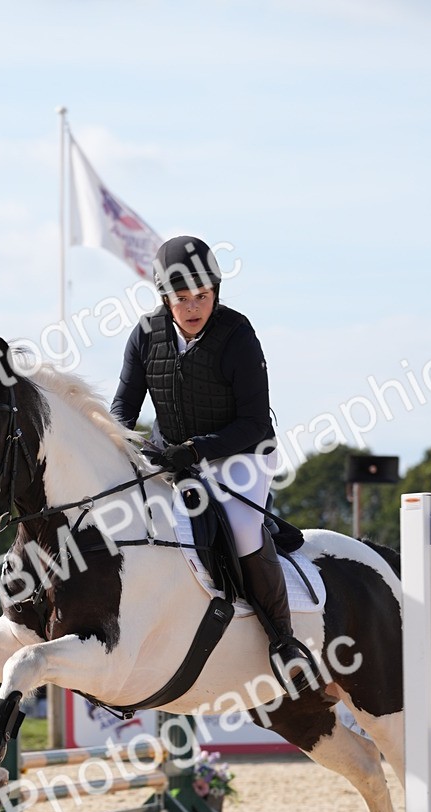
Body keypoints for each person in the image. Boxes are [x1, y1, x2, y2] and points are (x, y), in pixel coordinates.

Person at [111, 235, 320, 692]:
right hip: (175, 457)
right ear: (165, 299)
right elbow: (122, 410)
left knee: (242, 528)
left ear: (215, 293)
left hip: (242, 454)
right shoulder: (145, 335)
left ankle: (283, 641)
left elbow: (253, 421)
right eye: (181, 298)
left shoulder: (237, 334)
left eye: (201, 296)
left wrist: (196, 449)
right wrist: (124, 447)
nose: (192, 308)